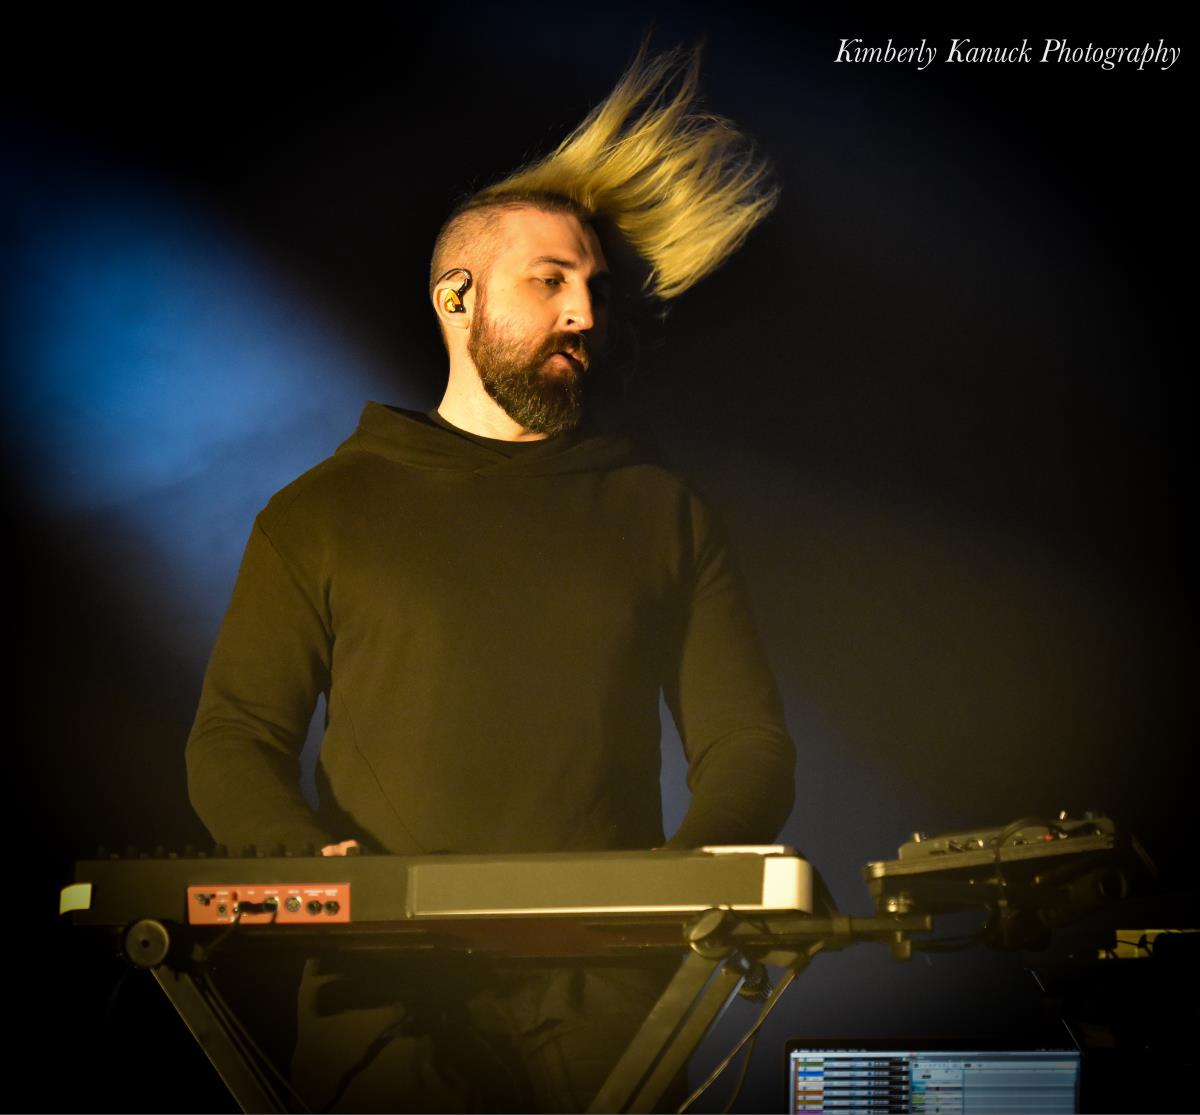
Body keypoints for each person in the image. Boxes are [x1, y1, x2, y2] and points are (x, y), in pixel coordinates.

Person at [186, 41, 795, 1112]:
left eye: (592, 287)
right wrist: (308, 862)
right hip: (387, 1001)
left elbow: (746, 740)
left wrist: (681, 884)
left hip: (616, 1008)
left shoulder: (661, 511)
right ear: (457, 297)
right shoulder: (320, 514)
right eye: (550, 280)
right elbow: (232, 738)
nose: (583, 313)